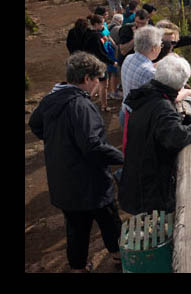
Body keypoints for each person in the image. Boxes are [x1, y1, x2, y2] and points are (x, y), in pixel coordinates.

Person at [28, 52, 124, 273]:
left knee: (76, 228)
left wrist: (59, 142)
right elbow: (93, 146)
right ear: (88, 78)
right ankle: (119, 255)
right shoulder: (81, 106)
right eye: (99, 79)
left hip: (63, 180)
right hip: (90, 182)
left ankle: (78, 268)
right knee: (109, 219)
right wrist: (123, 159)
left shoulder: (51, 99)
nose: (99, 84)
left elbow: (35, 123)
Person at [118, 53, 191, 215]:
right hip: (147, 191)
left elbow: (162, 129)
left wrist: (185, 122)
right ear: (180, 85)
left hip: (134, 180)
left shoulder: (146, 95)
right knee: (151, 226)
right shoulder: (162, 106)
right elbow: (175, 137)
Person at [82, 14, 118, 112]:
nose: (103, 26)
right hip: (99, 64)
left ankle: (88, 98)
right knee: (104, 85)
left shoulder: (86, 33)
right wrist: (112, 62)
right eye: (102, 23)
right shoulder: (96, 36)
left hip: (89, 61)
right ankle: (104, 106)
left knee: (94, 82)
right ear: (97, 24)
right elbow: (101, 53)